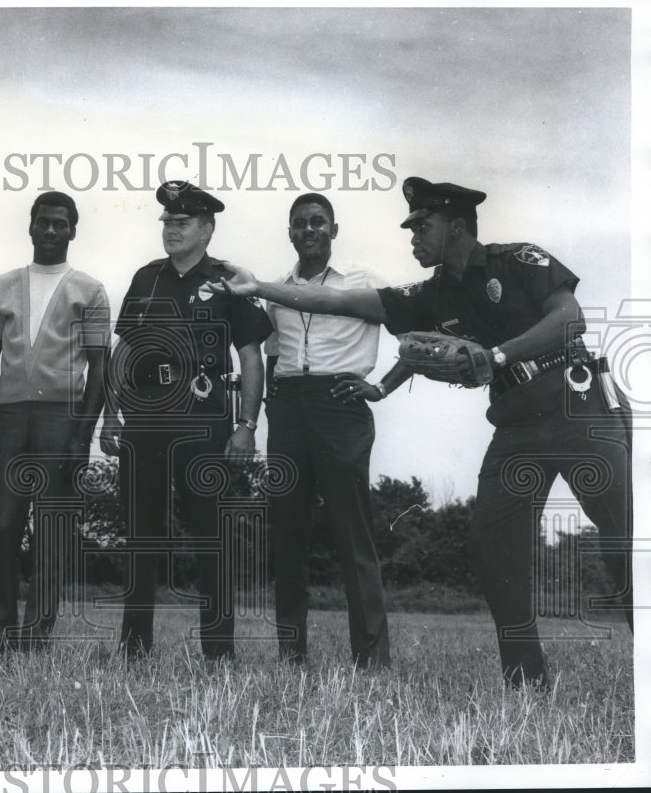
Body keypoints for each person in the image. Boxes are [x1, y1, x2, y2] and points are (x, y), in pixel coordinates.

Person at [210, 177, 633, 689]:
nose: (413, 237)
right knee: (493, 544)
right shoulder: (432, 294)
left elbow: (570, 318)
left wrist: (496, 355)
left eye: (422, 227)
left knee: (623, 539)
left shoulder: (516, 259)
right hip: (515, 423)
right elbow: (345, 308)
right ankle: (527, 684)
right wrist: (259, 289)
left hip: (576, 406)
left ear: (457, 227)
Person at [100, 181, 273, 662]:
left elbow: (250, 357)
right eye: (167, 223)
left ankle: (219, 653)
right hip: (146, 415)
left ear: (207, 229)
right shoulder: (146, 277)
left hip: (204, 418)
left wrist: (247, 425)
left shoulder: (228, 281)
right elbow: (125, 349)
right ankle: (135, 648)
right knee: (141, 534)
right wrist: (111, 414)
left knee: (209, 535)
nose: (171, 230)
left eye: (182, 223)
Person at [265, 193, 407, 668]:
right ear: (289, 232)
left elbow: (415, 339)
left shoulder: (363, 281)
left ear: (334, 229)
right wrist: (272, 407)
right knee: (287, 534)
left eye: (319, 222)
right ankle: (291, 656)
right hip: (287, 408)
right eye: (300, 223)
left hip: (341, 404)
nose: (310, 230)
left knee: (353, 533)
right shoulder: (278, 289)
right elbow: (272, 354)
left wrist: (382, 388)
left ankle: (371, 659)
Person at [0, 191, 110, 653]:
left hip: (62, 420)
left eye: (60, 224)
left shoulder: (90, 290)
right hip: (10, 417)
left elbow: (100, 368)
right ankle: (1, 635)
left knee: (52, 532)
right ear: (30, 226)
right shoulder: (2, 285)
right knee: (4, 528)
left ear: (73, 230)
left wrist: (82, 435)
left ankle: (37, 638)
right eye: (43, 222)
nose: (50, 231)